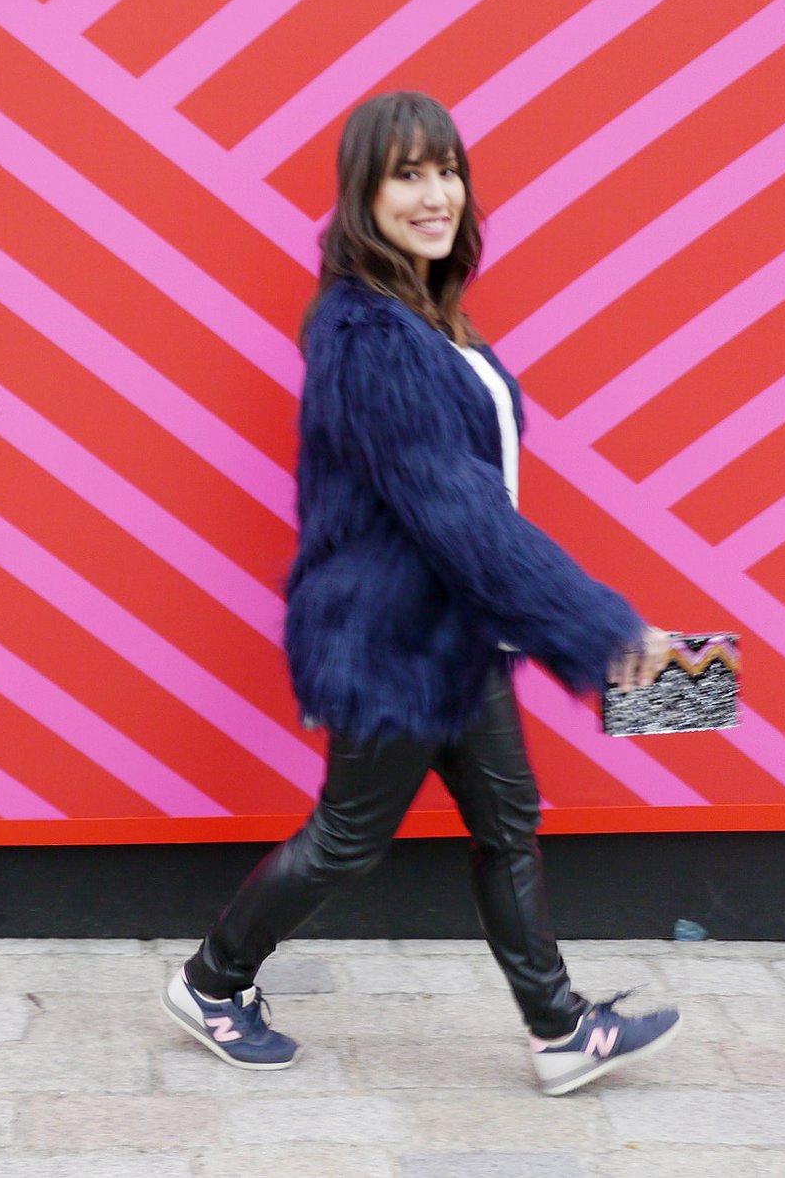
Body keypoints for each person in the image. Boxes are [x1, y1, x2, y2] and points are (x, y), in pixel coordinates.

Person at [161, 91, 680, 1097]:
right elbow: (461, 515)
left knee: (507, 820)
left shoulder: (426, 318)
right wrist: (600, 627)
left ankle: (560, 1027)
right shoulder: (368, 336)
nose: (434, 192)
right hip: (391, 635)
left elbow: (473, 505)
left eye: (445, 169)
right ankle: (210, 981)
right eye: (407, 173)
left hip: (458, 629)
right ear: (365, 193)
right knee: (350, 839)